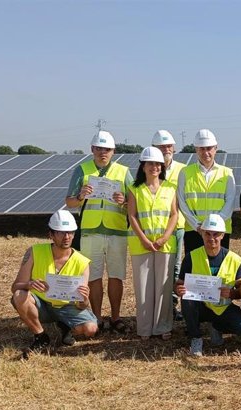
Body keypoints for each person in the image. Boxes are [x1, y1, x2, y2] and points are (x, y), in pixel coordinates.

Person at [65, 130, 132, 333]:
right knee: (93, 277)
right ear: (92, 149)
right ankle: (97, 317)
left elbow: (135, 203)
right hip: (90, 232)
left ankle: (116, 317)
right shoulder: (82, 170)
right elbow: (69, 202)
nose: (103, 152)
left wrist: (125, 201)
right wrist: (80, 196)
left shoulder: (123, 171)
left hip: (117, 231)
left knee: (116, 276)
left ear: (114, 151)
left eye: (107, 149)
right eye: (99, 148)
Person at [10, 210, 98, 357]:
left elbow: (82, 305)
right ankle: (41, 336)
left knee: (90, 330)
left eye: (70, 232)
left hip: (68, 305)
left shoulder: (82, 262)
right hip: (41, 304)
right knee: (19, 296)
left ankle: (64, 326)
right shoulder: (34, 252)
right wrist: (29, 285)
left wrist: (85, 299)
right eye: (61, 232)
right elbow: (15, 287)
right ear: (50, 235)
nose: (67, 237)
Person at [175, 214, 241, 356]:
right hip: (200, 306)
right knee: (187, 299)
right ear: (202, 234)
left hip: (223, 307)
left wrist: (232, 293)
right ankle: (196, 337)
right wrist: (178, 289)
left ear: (222, 235)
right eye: (207, 234)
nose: (211, 238)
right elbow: (179, 283)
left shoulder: (234, 259)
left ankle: (216, 326)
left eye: (216, 234)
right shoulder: (192, 256)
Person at [127, 147, 178, 340]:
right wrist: (144, 239)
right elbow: (132, 215)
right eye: (150, 163)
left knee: (164, 287)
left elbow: (174, 214)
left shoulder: (170, 187)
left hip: (165, 244)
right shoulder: (134, 188)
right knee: (143, 287)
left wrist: (165, 237)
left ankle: (163, 326)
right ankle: (145, 328)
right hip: (141, 244)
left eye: (157, 164)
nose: (154, 167)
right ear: (143, 166)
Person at [177, 129, 235, 252]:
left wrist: (214, 226)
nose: (206, 152)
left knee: (218, 269)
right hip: (194, 231)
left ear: (216, 148)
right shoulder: (185, 172)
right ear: (196, 149)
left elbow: (230, 202)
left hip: (219, 231)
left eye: (209, 148)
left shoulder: (227, 173)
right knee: (195, 268)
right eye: (201, 149)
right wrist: (197, 226)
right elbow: (182, 202)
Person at [152, 129, 187, 321]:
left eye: (168, 146)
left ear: (174, 148)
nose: (166, 149)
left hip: (178, 226)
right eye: (161, 146)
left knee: (175, 267)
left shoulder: (183, 169)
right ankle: (158, 306)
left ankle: (172, 306)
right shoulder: (149, 168)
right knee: (158, 269)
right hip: (155, 228)